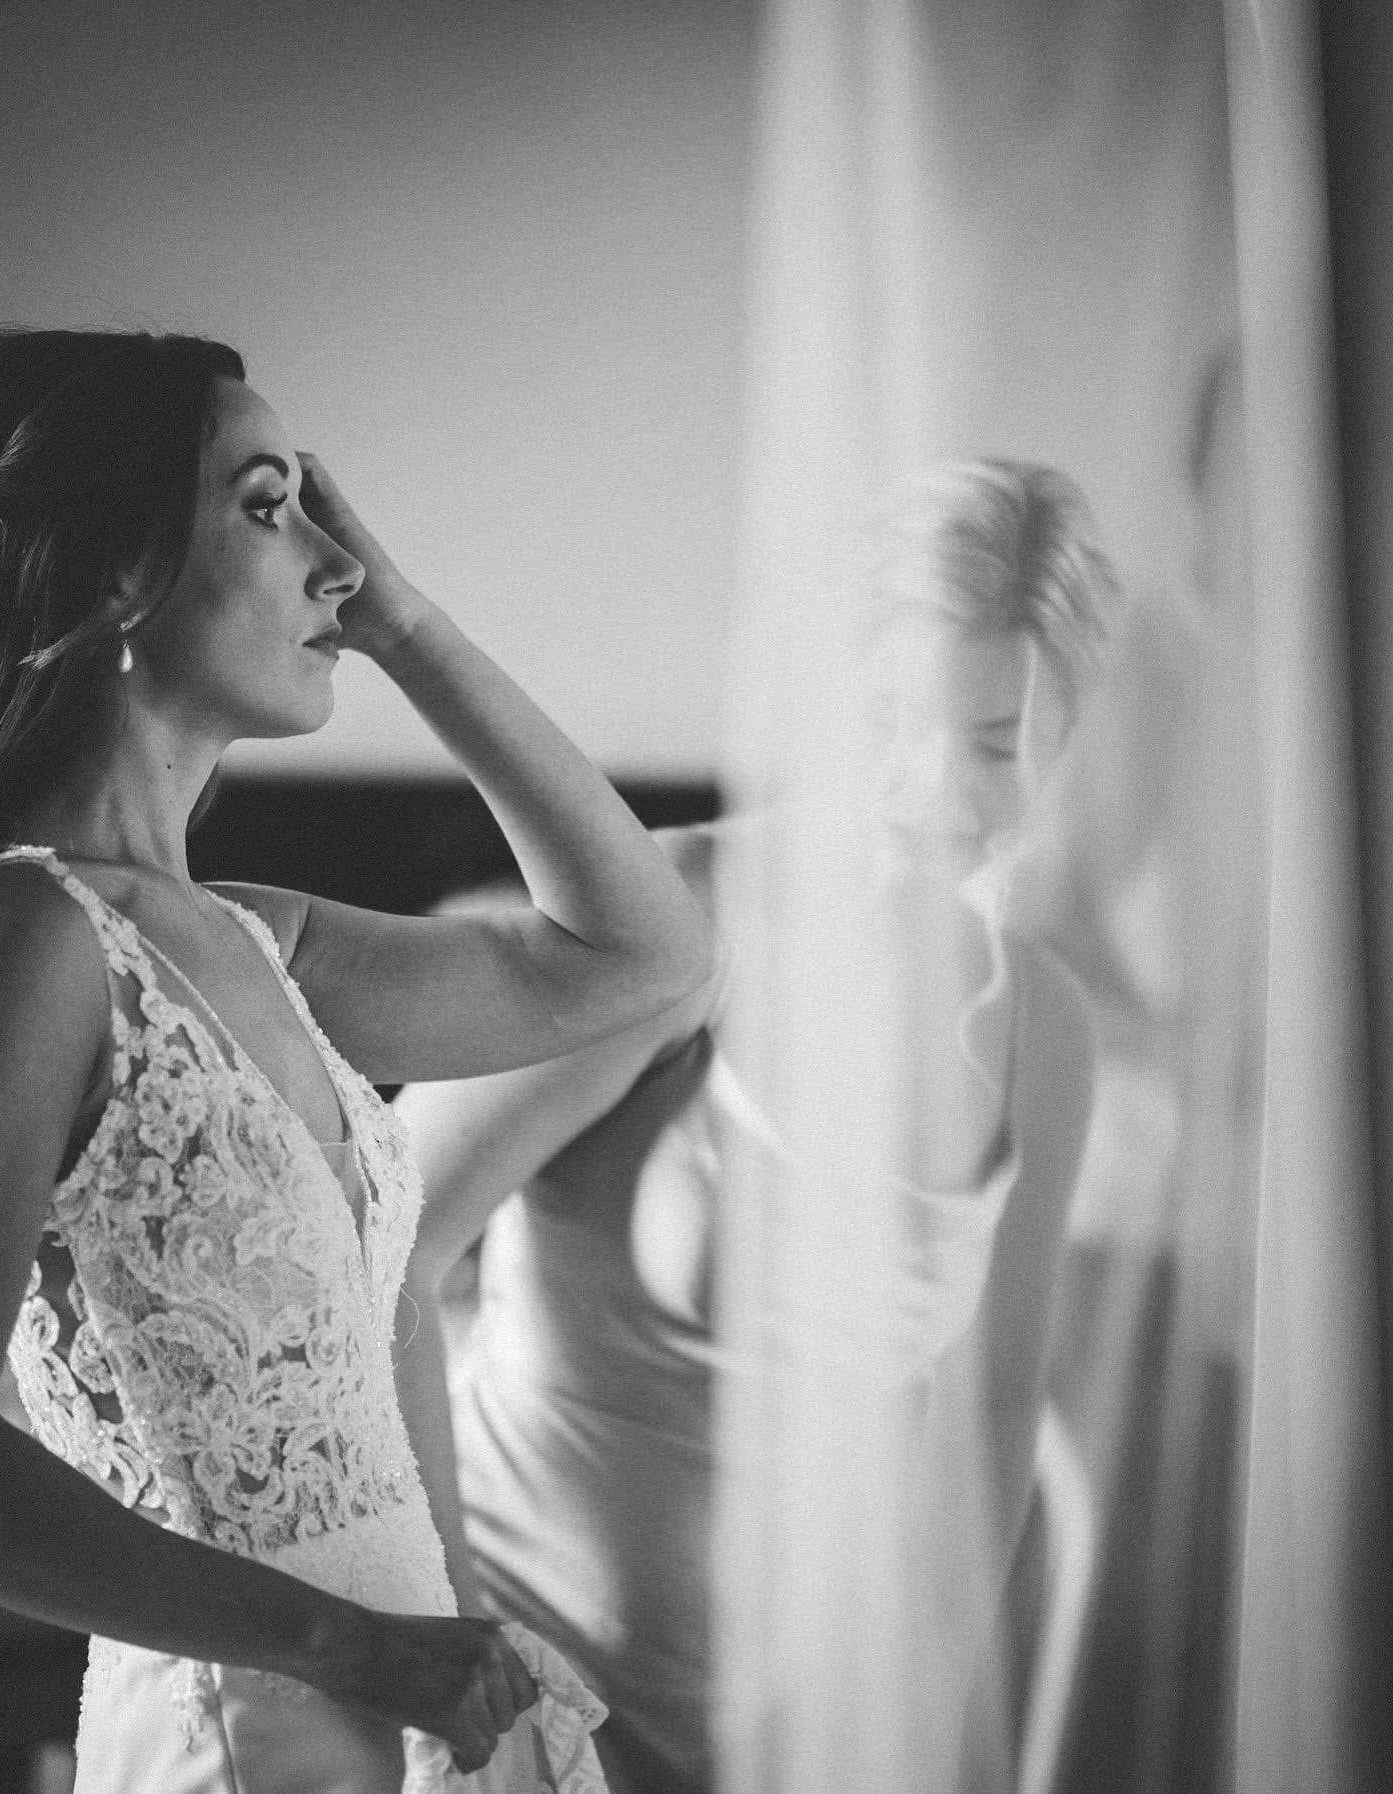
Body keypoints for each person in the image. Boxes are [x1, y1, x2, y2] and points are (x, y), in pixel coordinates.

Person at [0, 325, 713, 1794]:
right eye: (264, 504)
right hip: (239, 1734)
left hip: (410, 1722)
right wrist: (355, 1648)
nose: (333, 560)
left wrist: (410, 627)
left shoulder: (261, 941)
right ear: (116, 572)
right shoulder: (29, 941)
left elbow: (645, 957)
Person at [395, 459, 1122, 1793]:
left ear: (1062, 740)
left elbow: (993, 1405)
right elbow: (380, 1243)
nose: (927, 783)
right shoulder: (669, 915)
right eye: (889, 716)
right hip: (512, 1698)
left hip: (795, 1735)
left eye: (994, 740)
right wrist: (447, 1651)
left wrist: (927, 1710)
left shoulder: (1045, 1029)